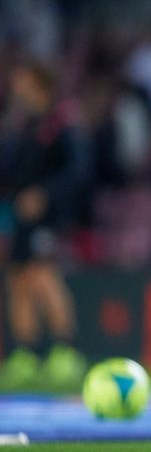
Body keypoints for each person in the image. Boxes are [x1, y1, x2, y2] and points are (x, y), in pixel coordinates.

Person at [0, 62, 88, 386]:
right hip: (20, 214)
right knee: (17, 278)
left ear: (40, 84)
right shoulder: (24, 125)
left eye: (23, 82)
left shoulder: (62, 122)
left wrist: (44, 195)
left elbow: (77, 171)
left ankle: (67, 352)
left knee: (43, 275)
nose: (16, 89)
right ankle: (25, 354)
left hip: (48, 215)